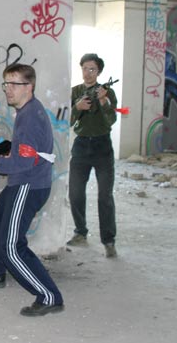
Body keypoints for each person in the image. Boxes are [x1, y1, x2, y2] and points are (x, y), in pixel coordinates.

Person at [0, 63, 64, 317]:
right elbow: (27, 153)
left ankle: (49, 296)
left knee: (10, 246)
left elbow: (23, 163)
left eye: (14, 84)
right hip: (22, 181)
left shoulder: (30, 118)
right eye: (6, 83)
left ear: (29, 87)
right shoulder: (27, 111)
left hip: (28, 185)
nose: (8, 89)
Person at [67, 53, 118, 258]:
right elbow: (66, 121)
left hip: (102, 146)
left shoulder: (108, 92)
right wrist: (77, 108)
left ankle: (109, 241)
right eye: (85, 68)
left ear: (99, 72)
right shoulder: (75, 92)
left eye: (92, 69)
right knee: (75, 193)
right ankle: (80, 232)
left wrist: (104, 100)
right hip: (81, 146)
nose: (88, 73)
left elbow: (111, 120)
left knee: (105, 196)